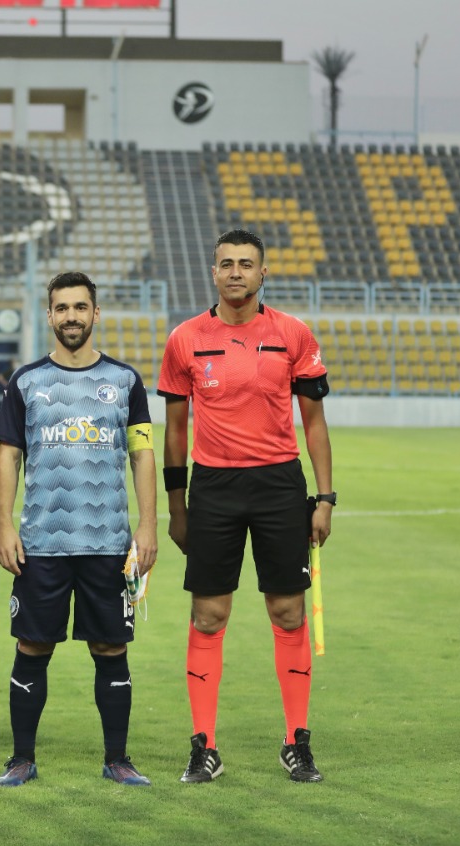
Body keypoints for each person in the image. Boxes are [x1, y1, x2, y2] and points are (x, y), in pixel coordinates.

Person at [158, 228, 333, 784]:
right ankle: (203, 746)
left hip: (279, 485)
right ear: (213, 272)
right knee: (209, 615)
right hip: (214, 488)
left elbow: (314, 423)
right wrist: (177, 506)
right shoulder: (186, 338)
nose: (236, 272)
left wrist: (325, 498)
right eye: (227, 263)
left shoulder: (293, 334)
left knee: (288, 612)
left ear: (263, 273)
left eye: (246, 264)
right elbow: (175, 430)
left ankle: (297, 740)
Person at [0, 271, 157, 788]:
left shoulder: (125, 381)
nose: (71, 317)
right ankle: (21, 759)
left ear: (95, 313)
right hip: (41, 543)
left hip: (108, 543)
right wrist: (4, 525)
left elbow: (142, 454)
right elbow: (8, 456)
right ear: (49, 315)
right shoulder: (25, 382)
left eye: (80, 307)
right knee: (32, 648)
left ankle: (117, 759)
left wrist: (148, 526)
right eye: (61, 308)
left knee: (111, 649)